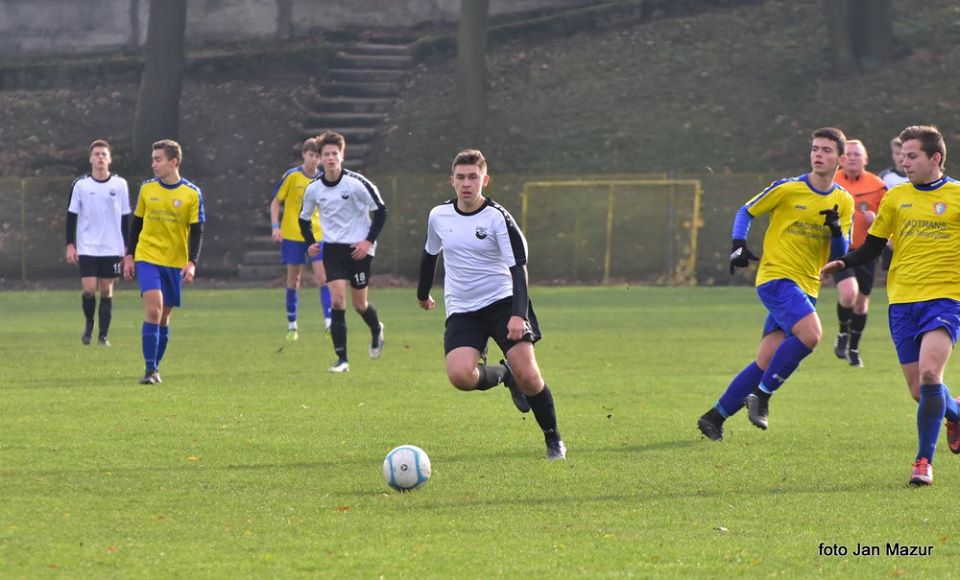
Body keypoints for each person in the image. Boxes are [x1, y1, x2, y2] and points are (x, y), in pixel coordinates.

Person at [822, 125, 960, 486]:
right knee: (919, 391)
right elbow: (873, 246)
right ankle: (956, 412)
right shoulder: (896, 197)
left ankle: (923, 461)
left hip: (946, 299)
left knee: (930, 375)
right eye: (903, 155)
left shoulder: (957, 195)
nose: (904, 161)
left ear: (935, 158)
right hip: (902, 301)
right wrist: (844, 262)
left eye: (912, 156)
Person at [697, 128, 853, 441]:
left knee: (766, 360)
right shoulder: (788, 188)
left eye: (826, 150)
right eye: (815, 148)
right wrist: (738, 244)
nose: (818, 154)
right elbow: (746, 210)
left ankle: (714, 417)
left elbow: (840, 255)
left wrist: (836, 229)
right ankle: (762, 396)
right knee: (811, 335)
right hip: (776, 277)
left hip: (808, 286)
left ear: (841, 159)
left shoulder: (843, 200)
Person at [417, 149, 566, 460]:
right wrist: (422, 293)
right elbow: (431, 253)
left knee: (529, 375)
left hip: (503, 303)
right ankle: (505, 375)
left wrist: (518, 315)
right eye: (461, 177)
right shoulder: (438, 216)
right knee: (460, 377)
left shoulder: (497, 217)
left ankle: (553, 438)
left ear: (484, 180)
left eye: (473, 177)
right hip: (463, 309)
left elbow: (518, 269)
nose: (466, 183)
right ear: (452, 180)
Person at [299, 131, 386, 373]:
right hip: (333, 249)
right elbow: (304, 218)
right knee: (337, 300)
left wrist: (367, 242)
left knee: (360, 304)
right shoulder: (314, 189)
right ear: (319, 158)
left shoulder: (357, 183)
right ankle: (342, 360)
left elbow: (381, 211)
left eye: (334, 153)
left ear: (342, 155)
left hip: (359, 249)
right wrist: (310, 242)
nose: (330, 158)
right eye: (326, 154)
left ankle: (376, 328)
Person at [123, 140, 205, 385]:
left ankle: (155, 368)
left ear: (174, 162)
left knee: (164, 317)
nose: (154, 164)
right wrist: (130, 255)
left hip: (174, 262)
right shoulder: (147, 189)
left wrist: (191, 262)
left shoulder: (192, 193)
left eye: (158, 159)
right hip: (147, 257)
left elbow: (197, 231)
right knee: (153, 310)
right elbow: (137, 224)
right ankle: (149, 370)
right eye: (153, 159)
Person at [65, 139, 130, 347]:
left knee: (106, 289)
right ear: (90, 159)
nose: (100, 157)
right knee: (89, 289)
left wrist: (127, 247)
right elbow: (71, 216)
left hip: (112, 247)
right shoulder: (81, 185)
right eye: (96, 154)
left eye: (104, 154)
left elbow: (125, 217)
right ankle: (89, 323)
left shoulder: (120, 184)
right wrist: (70, 244)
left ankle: (103, 336)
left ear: (109, 159)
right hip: (88, 246)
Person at [830, 139, 887, 368]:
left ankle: (853, 349)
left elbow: (890, 217)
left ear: (865, 159)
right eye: (849, 154)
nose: (853, 158)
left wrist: (877, 221)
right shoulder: (831, 181)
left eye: (857, 154)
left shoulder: (878, 186)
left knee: (861, 304)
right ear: (842, 158)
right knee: (848, 293)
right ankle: (843, 332)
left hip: (866, 251)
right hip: (840, 249)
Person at [269, 137, 332, 340]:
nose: (314, 159)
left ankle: (329, 323)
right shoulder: (292, 176)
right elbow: (275, 202)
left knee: (323, 278)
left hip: (316, 236)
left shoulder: (324, 179)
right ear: (304, 155)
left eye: (317, 156)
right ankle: (292, 325)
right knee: (293, 280)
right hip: (293, 235)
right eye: (311, 155)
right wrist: (275, 227)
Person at [877, 136, 909, 271]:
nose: (901, 157)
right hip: (889, 230)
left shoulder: (918, 176)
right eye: (897, 153)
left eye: (904, 153)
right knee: (890, 270)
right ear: (892, 155)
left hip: (911, 229)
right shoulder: (884, 176)